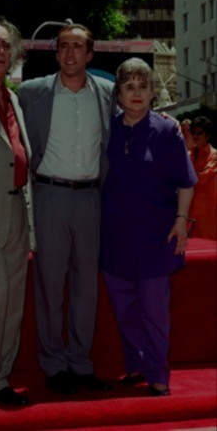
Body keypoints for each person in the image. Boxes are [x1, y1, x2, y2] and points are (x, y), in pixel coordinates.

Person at [17, 23, 115, 395]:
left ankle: (81, 363)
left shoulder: (108, 94)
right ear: (56, 52)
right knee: (49, 285)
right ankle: (54, 366)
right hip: (50, 197)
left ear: (90, 54)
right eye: (63, 47)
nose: (70, 53)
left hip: (92, 198)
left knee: (86, 288)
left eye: (78, 47)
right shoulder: (31, 93)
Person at [100, 57, 196, 396]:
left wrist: (182, 220)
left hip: (156, 238)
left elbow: (186, 182)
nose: (137, 93)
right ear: (120, 95)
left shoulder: (168, 130)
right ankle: (136, 365)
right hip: (114, 238)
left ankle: (158, 374)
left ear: (153, 92)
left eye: (143, 87)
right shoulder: (107, 129)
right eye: (129, 87)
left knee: (155, 311)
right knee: (125, 311)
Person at [0, 17, 35, 408]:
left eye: (5, 46)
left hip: (18, 211)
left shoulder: (12, 97)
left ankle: (0, 380)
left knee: (13, 303)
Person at [188, 116, 216, 240]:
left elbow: (204, 178)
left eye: (200, 133)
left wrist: (187, 176)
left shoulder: (214, 155)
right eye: (194, 132)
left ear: (208, 135)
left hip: (208, 212)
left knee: (209, 247)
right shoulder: (188, 154)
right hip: (190, 209)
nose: (195, 136)